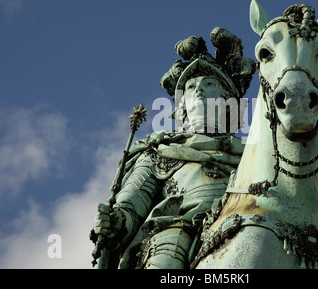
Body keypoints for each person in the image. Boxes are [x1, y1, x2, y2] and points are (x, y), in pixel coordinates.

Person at [91, 27, 255, 269]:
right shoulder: (159, 151)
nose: (198, 89)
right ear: (183, 106)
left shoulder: (252, 156)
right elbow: (133, 204)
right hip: (175, 232)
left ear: (227, 102)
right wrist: (115, 222)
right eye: (190, 87)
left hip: (244, 223)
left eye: (209, 83)